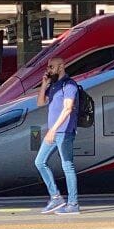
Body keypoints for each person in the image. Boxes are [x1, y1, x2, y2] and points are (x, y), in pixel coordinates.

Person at [35, 57, 80, 215]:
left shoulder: (69, 85)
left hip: (64, 131)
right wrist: (44, 85)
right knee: (39, 162)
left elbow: (68, 109)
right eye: (48, 67)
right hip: (53, 132)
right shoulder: (54, 85)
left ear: (61, 66)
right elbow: (40, 103)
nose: (49, 70)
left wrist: (53, 129)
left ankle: (73, 203)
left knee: (67, 165)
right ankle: (56, 197)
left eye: (52, 67)